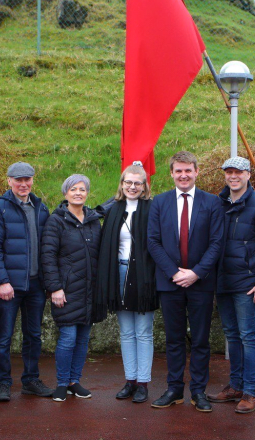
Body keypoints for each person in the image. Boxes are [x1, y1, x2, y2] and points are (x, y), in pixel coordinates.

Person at [207, 157, 255, 413]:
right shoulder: (218, 203)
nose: (233, 176)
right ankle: (236, 386)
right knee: (232, 337)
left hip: (249, 285)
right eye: (229, 172)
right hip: (224, 282)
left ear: (248, 174)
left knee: (249, 337)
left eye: (238, 172)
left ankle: (251, 392)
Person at [147, 151, 223, 412]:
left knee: (201, 339)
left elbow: (216, 243)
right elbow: (153, 242)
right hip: (170, 283)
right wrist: (174, 272)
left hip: (201, 283)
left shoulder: (212, 202)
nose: (183, 175)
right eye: (178, 171)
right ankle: (174, 388)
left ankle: (199, 391)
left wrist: (196, 273)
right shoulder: (159, 202)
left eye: (188, 170)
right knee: (174, 339)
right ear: (171, 174)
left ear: (197, 172)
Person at [0, 162, 53, 402]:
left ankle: (30, 380)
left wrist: (48, 282)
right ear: (9, 181)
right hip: (9, 286)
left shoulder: (41, 208)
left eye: (27, 179)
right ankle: (3, 383)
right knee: (4, 336)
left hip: (36, 285)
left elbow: (47, 248)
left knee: (34, 335)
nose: (23, 184)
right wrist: (2, 281)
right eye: (18, 180)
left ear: (33, 180)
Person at [96, 163, 158, 403]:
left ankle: (143, 382)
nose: (132, 187)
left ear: (144, 187)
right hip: (119, 273)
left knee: (143, 332)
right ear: (122, 184)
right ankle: (130, 380)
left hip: (143, 276)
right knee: (126, 332)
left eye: (137, 183)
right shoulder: (113, 209)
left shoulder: (153, 209)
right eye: (128, 182)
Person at [41, 174, 102, 402]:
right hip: (66, 291)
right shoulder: (56, 221)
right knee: (67, 338)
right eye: (73, 189)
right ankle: (61, 383)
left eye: (82, 189)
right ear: (65, 193)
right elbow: (48, 256)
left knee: (83, 339)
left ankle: (74, 381)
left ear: (87, 193)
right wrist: (55, 287)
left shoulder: (93, 220)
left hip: (89, 290)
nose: (78, 192)